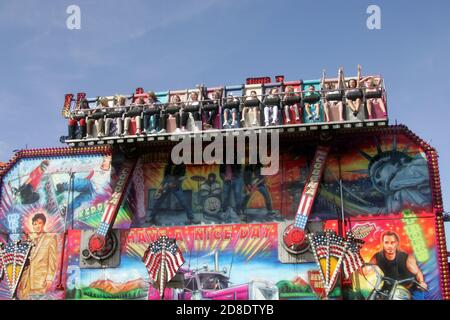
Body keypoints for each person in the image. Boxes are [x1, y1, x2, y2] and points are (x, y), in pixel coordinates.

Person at [368, 231, 427, 298]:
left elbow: (417, 272)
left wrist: (422, 282)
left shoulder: (406, 258)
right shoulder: (377, 257)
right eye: (386, 242)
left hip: (409, 289)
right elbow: (365, 270)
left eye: (392, 242)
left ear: (397, 243)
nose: (389, 246)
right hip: (388, 289)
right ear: (383, 243)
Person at [17, 213, 58, 300]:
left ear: (43, 224)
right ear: (32, 225)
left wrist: (49, 278)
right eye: (35, 224)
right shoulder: (30, 239)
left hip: (40, 279)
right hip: (26, 280)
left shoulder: (50, 238)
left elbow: (52, 259)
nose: (37, 226)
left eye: (40, 223)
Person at [146, 159, 198, 225]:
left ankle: (191, 218)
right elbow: (165, 177)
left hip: (176, 185)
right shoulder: (168, 165)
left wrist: (174, 183)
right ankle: (151, 217)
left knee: (183, 201)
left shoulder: (182, 166)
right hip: (166, 184)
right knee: (158, 200)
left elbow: (182, 177)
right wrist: (163, 186)